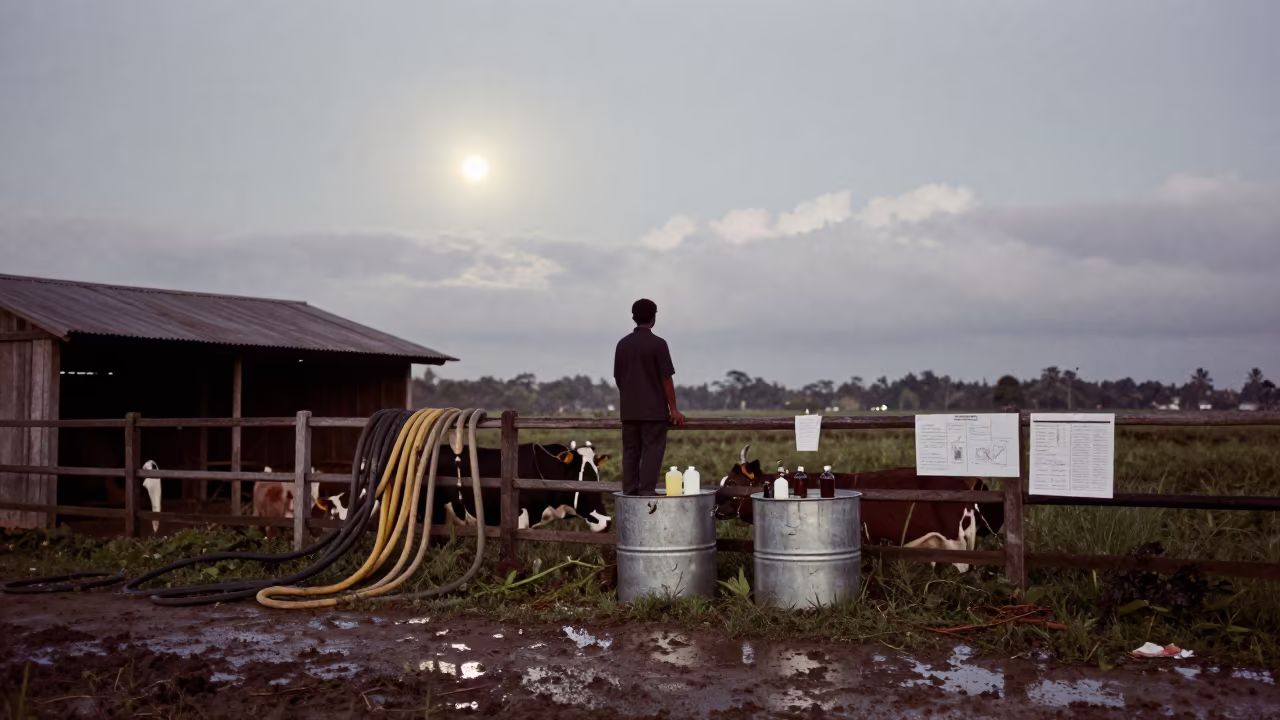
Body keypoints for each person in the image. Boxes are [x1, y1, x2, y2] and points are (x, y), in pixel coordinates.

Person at [613, 298, 685, 495]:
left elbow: (618, 378)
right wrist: (673, 409)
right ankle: (646, 493)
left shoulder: (622, 344)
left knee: (630, 453)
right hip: (654, 413)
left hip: (629, 412)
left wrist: (631, 397)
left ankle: (629, 491)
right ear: (653, 318)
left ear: (634, 317)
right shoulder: (658, 344)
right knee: (652, 452)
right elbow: (666, 379)